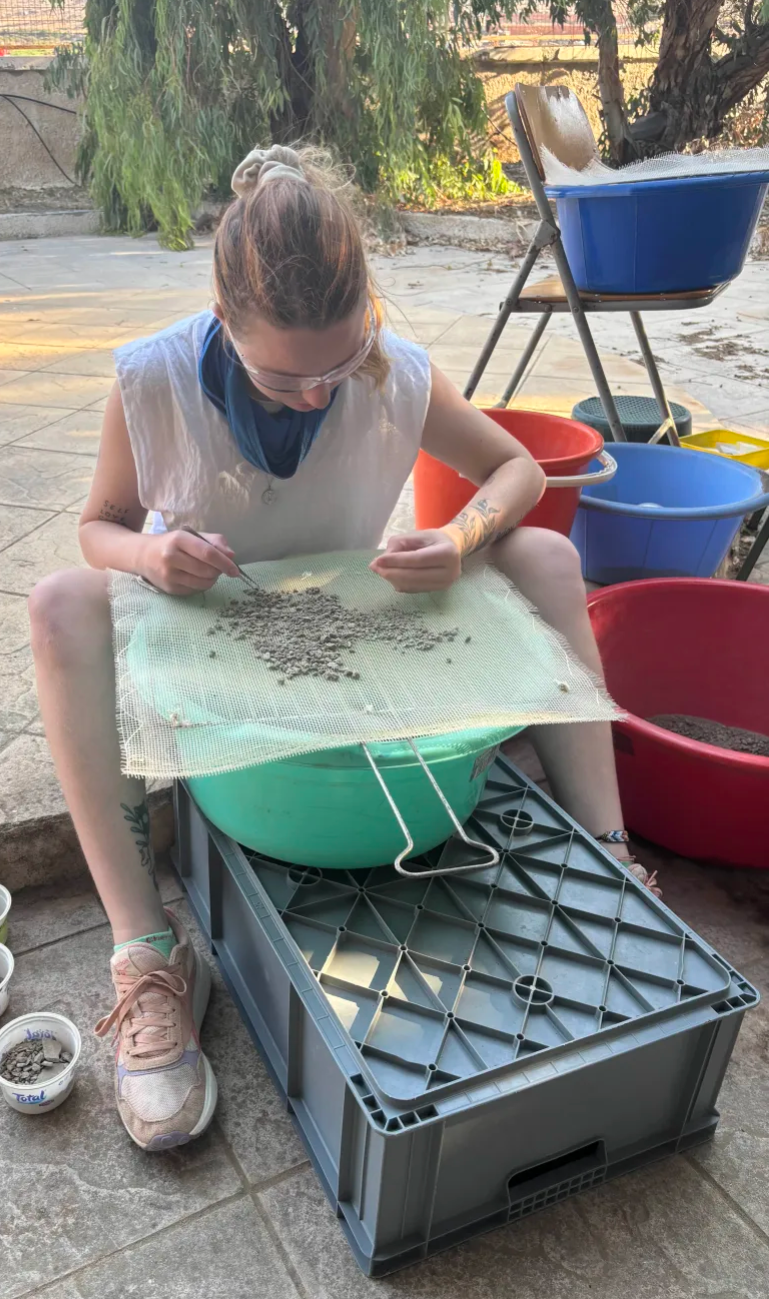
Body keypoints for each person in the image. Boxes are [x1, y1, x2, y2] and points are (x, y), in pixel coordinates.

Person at [29, 144, 655, 1154]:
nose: (319, 393)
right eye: (285, 377)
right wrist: (149, 553)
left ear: (366, 313)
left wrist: (458, 539)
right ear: (222, 324)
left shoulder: (393, 369)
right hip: (209, 635)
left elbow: (514, 474)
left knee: (539, 558)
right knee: (60, 604)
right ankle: (147, 951)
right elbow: (96, 529)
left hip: (343, 635)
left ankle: (612, 860)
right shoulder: (149, 379)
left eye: (340, 362)